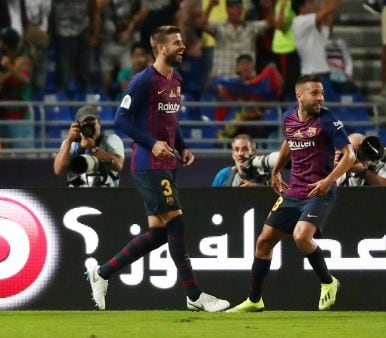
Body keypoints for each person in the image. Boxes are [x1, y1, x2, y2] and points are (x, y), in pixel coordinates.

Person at [87, 25, 230, 312]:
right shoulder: (143, 81)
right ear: (160, 48)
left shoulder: (176, 79)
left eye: (182, 42)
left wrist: (182, 145)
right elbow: (121, 119)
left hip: (167, 162)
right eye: (176, 43)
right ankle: (195, 296)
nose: (182, 47)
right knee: (176, 222)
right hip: (148, 163)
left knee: (159, 233)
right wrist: (152, 143)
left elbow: (170, 122)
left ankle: (102, 272)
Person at [227, 74, 356, 312]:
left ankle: (329, 282)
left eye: (322, 93)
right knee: (263, 243)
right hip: (293, 191)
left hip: (319, 191)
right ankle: (254, 300)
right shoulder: (288, 117)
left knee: (300, 236)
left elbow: (350, 155)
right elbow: (289, 142)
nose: (321, 97)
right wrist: (276, 170)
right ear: (300, 96)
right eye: (315, 93)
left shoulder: (328, 120)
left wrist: (329, 180)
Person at [53, 105, 125, 187]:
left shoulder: (111, 140)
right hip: (77, 194)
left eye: (93, 124)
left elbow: (118, 165)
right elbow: (58, 170)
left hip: (106, 193)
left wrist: (93, 148)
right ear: (78, 126)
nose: (90, 128)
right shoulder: (71, 144)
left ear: (99, 123)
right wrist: (68, 141)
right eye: (86, 125)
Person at [202, 0, 274, 77]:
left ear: (242, 9)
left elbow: (270, 23)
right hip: (223, 78)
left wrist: (268, 8)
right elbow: (202, 24)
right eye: (232, 7)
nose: (235, 11)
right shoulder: (219, 27)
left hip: (245, 80)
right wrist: (210, 7)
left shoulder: (251, 27)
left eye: (238, 8)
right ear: (226, 9)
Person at [291, 0, 342, 102]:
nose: (312, 5)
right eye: (309, 3)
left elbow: (327, 20)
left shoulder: (313, 30)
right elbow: (326, 11)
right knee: (315, 114)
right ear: (301, 7)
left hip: (324, 74)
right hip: (311, 75)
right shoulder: (299, 21)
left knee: (327, 113)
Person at [0, 27, 33, 149]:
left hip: (19, 117)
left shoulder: (23, 61)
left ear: (6, 44)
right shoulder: (4, 62)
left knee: (22, 153)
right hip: (3, 116)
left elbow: (25, 79)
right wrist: (11, 69)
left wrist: (9, 67)